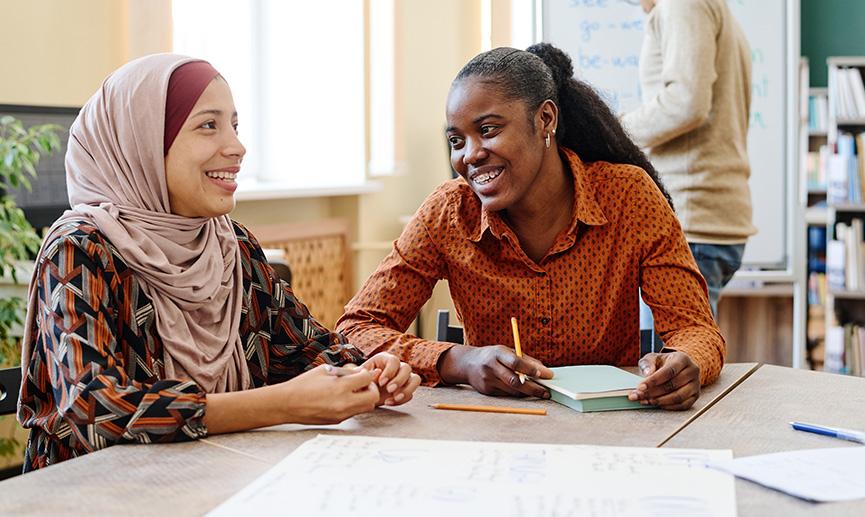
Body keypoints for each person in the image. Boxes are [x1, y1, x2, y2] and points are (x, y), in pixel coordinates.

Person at [17, 54, 420, 471]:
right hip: (90, 494)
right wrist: (278, 405)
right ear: (143, 142)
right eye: (208, 125)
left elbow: (307, 351)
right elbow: (95, 407)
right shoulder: (81, 248)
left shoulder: (232, 244)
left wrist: (369, 372)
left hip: (219, 479)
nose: (237, 147)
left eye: (235, 125)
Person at [336, 44, 725, 411]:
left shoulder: (628, 196)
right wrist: (459, 360)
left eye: (488, 130)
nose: (469, 155)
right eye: (457, 140)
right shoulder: (448, 212)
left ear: (545, 120)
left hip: (610, 426)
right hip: (495, 430)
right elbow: (356, 328)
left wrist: (687, 361)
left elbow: (696, 329)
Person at [621, 0, 755, 316]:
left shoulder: (683, 4)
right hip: (703, 221)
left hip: (691, 221)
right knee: (682, 356)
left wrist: (612, 131)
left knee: (674, 361)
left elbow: (686, 103)